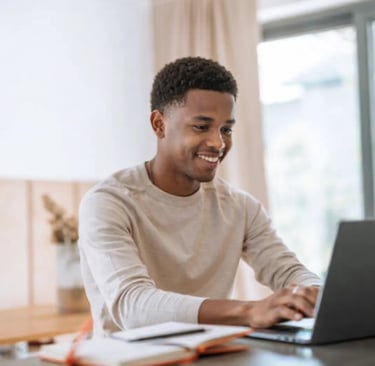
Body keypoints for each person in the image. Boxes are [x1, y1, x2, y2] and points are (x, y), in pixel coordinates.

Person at [79, 56, 321, 337]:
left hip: (213, 356)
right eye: (201, 126)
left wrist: (313, 293)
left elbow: (288, 271)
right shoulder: (108, 202)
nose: (218, 143)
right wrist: (248, 311)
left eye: (226, 129)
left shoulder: (240, 207)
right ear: (159, 124)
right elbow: (133, 306)